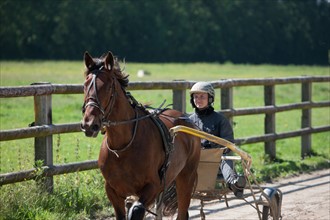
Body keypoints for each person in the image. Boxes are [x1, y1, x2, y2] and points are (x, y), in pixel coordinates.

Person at [189, 81, 246, 198]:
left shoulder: (220, 120)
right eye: (195, 97)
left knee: (225, 159)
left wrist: (217, 150)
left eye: (202, 97)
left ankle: (234, 183)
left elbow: (229, 143)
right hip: (195, 158)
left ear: (210, 99)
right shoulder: (188, 121)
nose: (198, 100)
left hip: (216, 159)